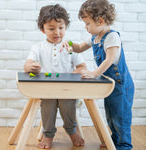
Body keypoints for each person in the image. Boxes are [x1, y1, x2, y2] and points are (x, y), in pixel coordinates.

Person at [60, 0, 135, 150]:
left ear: (100, 21)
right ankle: (114, 140)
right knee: (111, 115)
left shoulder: (112, 37)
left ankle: (124, 145)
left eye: (87, 24)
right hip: (110, 84)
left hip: (121, 86)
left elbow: (110, 60)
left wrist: (94, 73)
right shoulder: (95, 37)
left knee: (120, 116)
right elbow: (80, 47)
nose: (86, 27)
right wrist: (68, 43)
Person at [24, 4, 86, 149]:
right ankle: (48, 135)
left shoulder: (70, 46)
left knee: (67, 106)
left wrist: (71, 76)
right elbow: (27, 66)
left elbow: (82, 68)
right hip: (47, 89)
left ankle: (72, 131)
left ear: (65, 27)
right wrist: (31, 67)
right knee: (47, 107)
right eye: (51, 28)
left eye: (61, 27)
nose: (57, 32)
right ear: (42, 29)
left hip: (67, 89)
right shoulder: (38, 47)